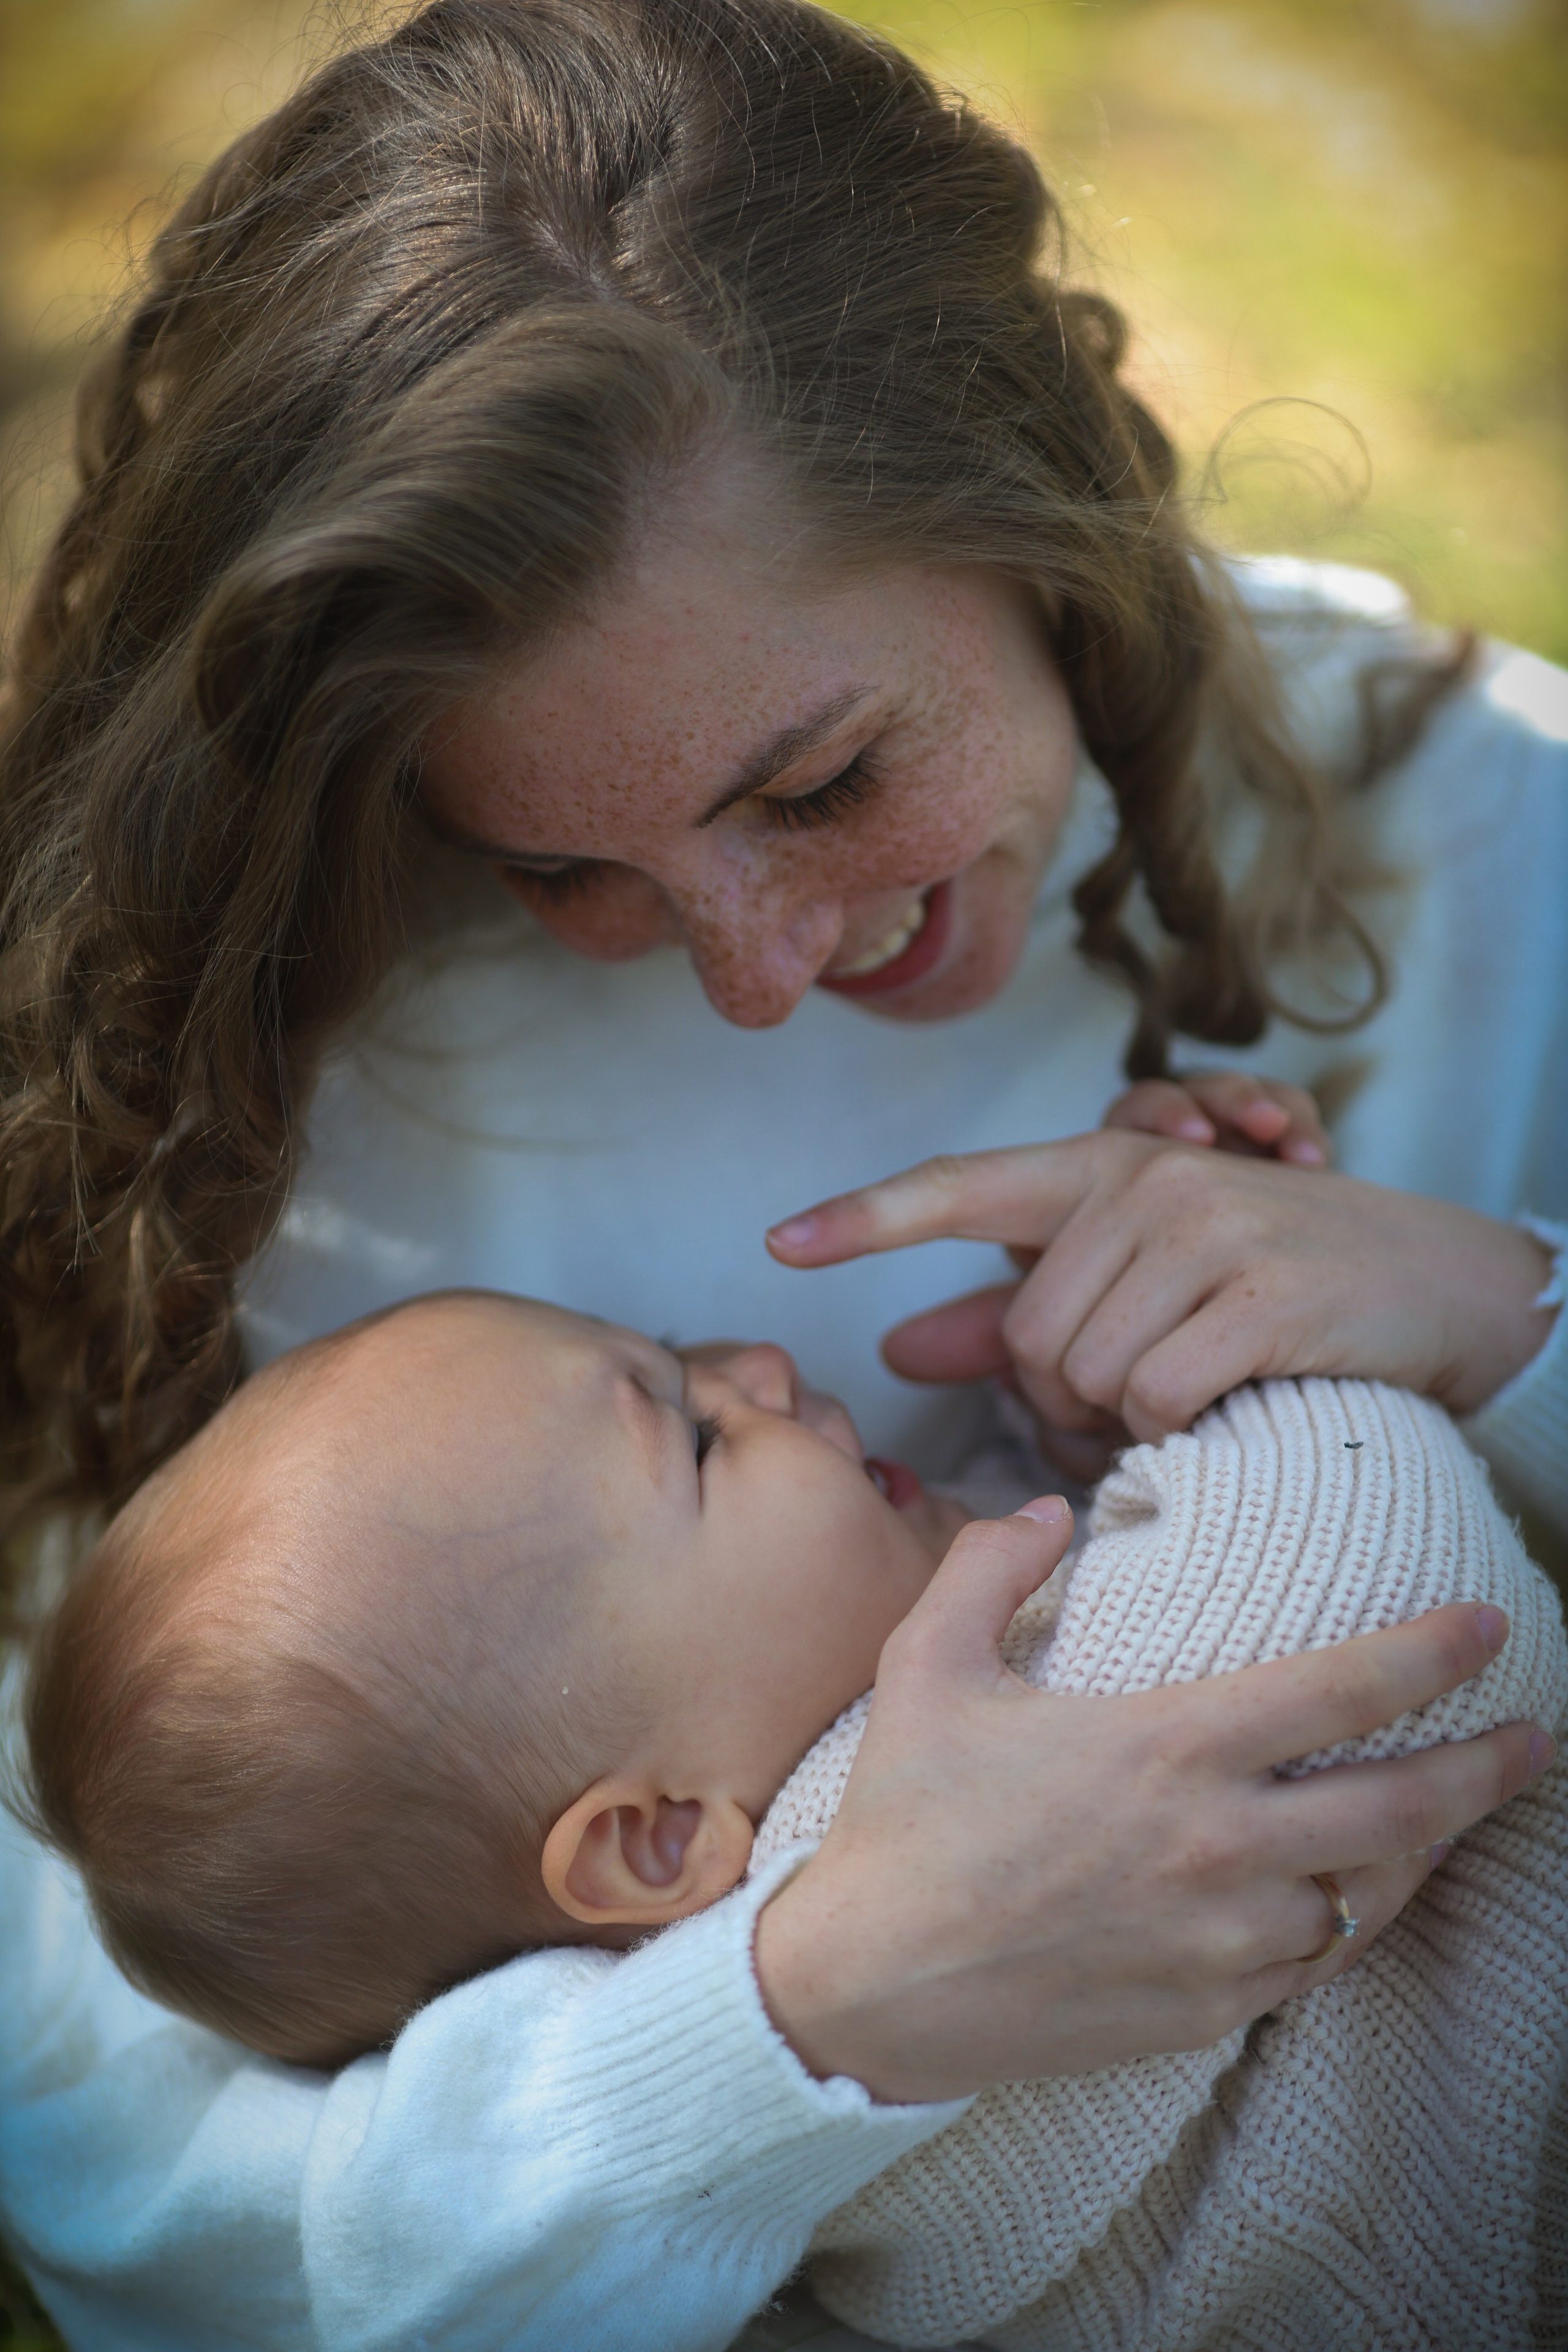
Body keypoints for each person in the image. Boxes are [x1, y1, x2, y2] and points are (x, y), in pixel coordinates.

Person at [0, 0, 1563, 2343]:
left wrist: (1512, 1324)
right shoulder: (229, 1047)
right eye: (562, 870)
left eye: (820, 781)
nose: (750, 971)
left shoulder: (1502, 842)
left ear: (1032, 510)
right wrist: (793, 2024)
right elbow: (121, 2141)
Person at [19, 1290, 1567, 2350]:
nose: (758, 1369)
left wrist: (1095, 1453)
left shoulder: (792, 1863)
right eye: (693, 1434)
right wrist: (1247, 1347)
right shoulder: (883, 1865)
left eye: (683, 1355)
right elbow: (1399, 1579)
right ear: (657, 1840)